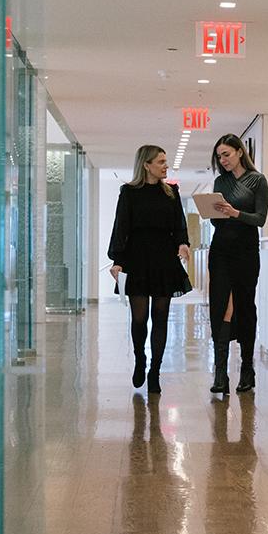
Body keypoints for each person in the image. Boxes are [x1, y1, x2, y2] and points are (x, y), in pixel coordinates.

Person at [108, 145, 192, 393]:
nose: (166, 166)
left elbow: (179, 225)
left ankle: (155, 370)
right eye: (161, 162)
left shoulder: (171, 192)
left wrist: (183, 243)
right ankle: (140, 359)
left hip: (164, 258)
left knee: (161, 316)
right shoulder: (129, 193)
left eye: (166, 161)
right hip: (137, 259)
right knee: (139, 318)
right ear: (146, 165)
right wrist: (117, 260)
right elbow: (120, 227)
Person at [207, 133, 268, 394]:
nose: (223, 160)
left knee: (244, 306)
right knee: (220, 306)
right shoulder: (220, 181)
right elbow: (215, 219)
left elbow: (260, 219)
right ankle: (220, 373)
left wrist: (235, 213)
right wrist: (215, 212)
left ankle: (246, 368)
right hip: (221, 249)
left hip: (245, 251)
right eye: (219, 157)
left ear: (240, 152)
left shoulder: (257, 180)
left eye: (226, 154)